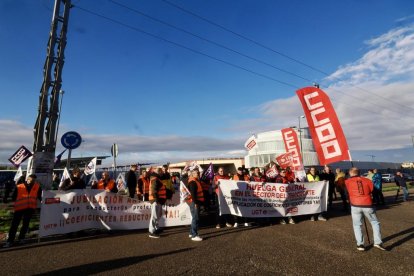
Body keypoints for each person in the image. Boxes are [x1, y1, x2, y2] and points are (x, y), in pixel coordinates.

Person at [345, 167, 386, 251]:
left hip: (355, 205)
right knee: (374, 222)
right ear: (359, 172)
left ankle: (360, 244)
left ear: (350, 173)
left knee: (357, 225)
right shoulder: (367, 180)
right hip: (367, 204)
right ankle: (378, 242)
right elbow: (373, 191)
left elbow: (346, 193)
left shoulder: (347, 182)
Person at [3, 174, 42, 248]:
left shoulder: (37, 187)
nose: (30, 181)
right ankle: (10, 241)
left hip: (29, 209)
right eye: (30, 179)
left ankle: (21, 238)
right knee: (14, 225)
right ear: (27, 179)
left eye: (33, 180)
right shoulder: (19, 186)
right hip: (19, 208)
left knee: (25, 224)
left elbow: (40, 197)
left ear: (35, 181)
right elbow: (13, 197)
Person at [148, 168, 167, 238]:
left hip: (157, 200)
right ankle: (151, 231)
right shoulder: (155, 179)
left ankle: (156, 228)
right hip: (156, 200)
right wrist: (157, 199)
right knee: (154, 216)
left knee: (157, 215)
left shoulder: (155, 178)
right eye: (161, 172)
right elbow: (154, 190)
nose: (162, 173)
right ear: (158, 172)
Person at [187, 170, 204, 241]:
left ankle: (191, 233)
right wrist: (196, 203)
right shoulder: (193, 182)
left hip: (195, 202)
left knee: (194, 218)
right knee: (195, 218)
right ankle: (194, 235)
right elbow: (193, 195)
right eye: (197, 173)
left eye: (198, 173)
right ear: (193, 174)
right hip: (195, 203)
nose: (198, 174)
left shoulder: (195, 181)